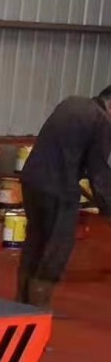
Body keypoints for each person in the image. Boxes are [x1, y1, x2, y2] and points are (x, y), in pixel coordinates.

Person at [19, 86, 111, 307]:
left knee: (36, 241)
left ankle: (21, 304)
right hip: (59, 189)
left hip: (32, 180)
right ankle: (39, 307)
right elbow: (98, 173)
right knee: (57, 248)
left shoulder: (71, 104)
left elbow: (67, 152)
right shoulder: (101, 120)